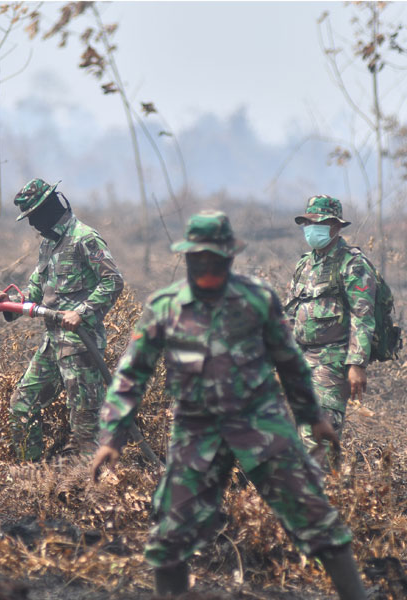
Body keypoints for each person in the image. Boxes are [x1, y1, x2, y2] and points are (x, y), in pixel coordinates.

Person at [90, 210, 366, 599]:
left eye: (213, 257)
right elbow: (131, 375)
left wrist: (311, 416)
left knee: (319, 523)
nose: (204, 265)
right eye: (196, 257)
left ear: (228, 257)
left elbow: (289, 361)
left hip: (263, 427)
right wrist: (112, 436)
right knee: (168, 537)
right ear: (186, 257)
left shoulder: (257, 299)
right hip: (196, 432)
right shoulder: (165, 306)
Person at [0, 178, 123, 461]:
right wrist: (8, 304)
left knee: (85, 428)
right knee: (22, 405)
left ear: (49, 207)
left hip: (82, 350)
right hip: (52, 347)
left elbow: (113, 281)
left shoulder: (85, 238)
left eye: (34, 216)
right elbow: (35, 293)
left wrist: (82, 311)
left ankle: (88, 490)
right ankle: (32, 476)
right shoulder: (48, 245)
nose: (32, 224)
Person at [285, 195, 376, 464]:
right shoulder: (305, 264)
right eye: (308, 222)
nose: (312, 228)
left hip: (332, 361)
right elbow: (291, 312)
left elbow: (363, 316)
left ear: (335, 227)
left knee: (319, 435)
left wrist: (357, 364)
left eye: (319, 223)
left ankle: (325, 497)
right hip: (300, 360)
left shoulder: (353, 264)